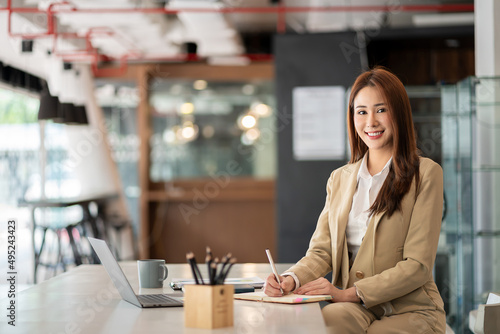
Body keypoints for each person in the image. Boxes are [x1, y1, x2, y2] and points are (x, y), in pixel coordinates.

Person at [264, 67, 446, 333]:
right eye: (361, 112)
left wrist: (345, 294)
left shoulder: (426, 173)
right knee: (330, 319)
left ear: (399, 114)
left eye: (381, 110)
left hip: (411, 307)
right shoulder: (339, 178)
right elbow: (321, 251)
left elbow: (417, 266)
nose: (370, 122)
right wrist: (291, 279)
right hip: (355, 307)